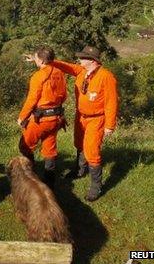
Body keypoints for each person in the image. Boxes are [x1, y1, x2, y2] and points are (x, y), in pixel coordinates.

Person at [48, 46, 118, 201]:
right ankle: (79, 171)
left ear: (92, 60)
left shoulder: (106, 77)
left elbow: (112, 102)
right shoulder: (81, 71)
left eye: (82, 57)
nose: (79, 60)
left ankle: (96, 187)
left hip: (96, 119)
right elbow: (65, 66)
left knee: (92, 151)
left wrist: (109, 125)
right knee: (79, 144)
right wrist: (48, 61)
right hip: (81, 117)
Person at [18, 47, 67, 188]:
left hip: (41, 119)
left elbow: (32, 99)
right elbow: (64, 95)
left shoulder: (38, 76)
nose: (35, 61)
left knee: (25, 146)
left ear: (41, 60)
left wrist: (22, 117)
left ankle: (29, 176)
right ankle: (49, 182)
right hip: (56, 118)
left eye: (36, 58)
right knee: (49, 148)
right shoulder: (59, 73)